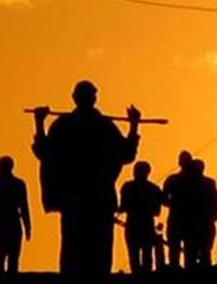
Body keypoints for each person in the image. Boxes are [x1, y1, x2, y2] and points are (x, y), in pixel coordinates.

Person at [32, 80, 140, 278]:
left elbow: (44, 151)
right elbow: (45, 152)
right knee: (82, 251)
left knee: (90, 252)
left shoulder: (74, 125)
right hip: (83, 198)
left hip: (88, 198)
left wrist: (40, 123)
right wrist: (39, 123)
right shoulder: (94, 126)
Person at [163, 152, 217, 269]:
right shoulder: (178, 181)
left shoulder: (177, 181)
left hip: (195, 224)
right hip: (188, 223)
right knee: (189, 254)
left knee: (193, 255)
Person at [0, 156, 31, 273]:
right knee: (13, 260)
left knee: (0, 259)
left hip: (0, 226)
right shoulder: (19, 184)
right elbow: (24, 207)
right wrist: (27, 227)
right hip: (13, 225)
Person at [119, 161, 164, 274]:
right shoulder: (154, 189)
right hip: (147, 224)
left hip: (132, 224)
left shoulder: (127, 187)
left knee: (133, 254)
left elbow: (123, 207)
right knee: (147, 254)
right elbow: (157, 211)